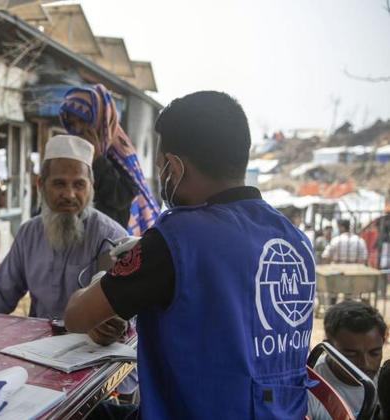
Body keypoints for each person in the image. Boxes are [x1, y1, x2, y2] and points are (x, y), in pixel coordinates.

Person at [64, 91, 316, 418]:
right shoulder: (296, 240)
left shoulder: (176, 239)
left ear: (175, 167)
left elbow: (76, 317)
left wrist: (102, 281)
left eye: (161, 167)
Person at [0, 135, 128, 342]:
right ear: (41, 184)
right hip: (37, 349)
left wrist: (110, 325)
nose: (69, 194)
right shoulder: (28, 234)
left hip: (93, 351)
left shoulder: (112, 237)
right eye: (59, 184)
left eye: (79, 185)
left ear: (91, 186)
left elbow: (125, 315)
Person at [59, 84, 159, 235]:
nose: (78, 129)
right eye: (73, 123)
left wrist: (98, 160)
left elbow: (121, 197)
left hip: (109, 242)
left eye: (83, 121)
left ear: (98, 117)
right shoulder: (73, 152)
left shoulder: (120, 151)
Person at [308, 301, 385, 420]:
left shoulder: (384, 381)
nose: (366, 363)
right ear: (329, 347)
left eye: (374, 353)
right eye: (351, 354)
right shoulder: (311, 387)